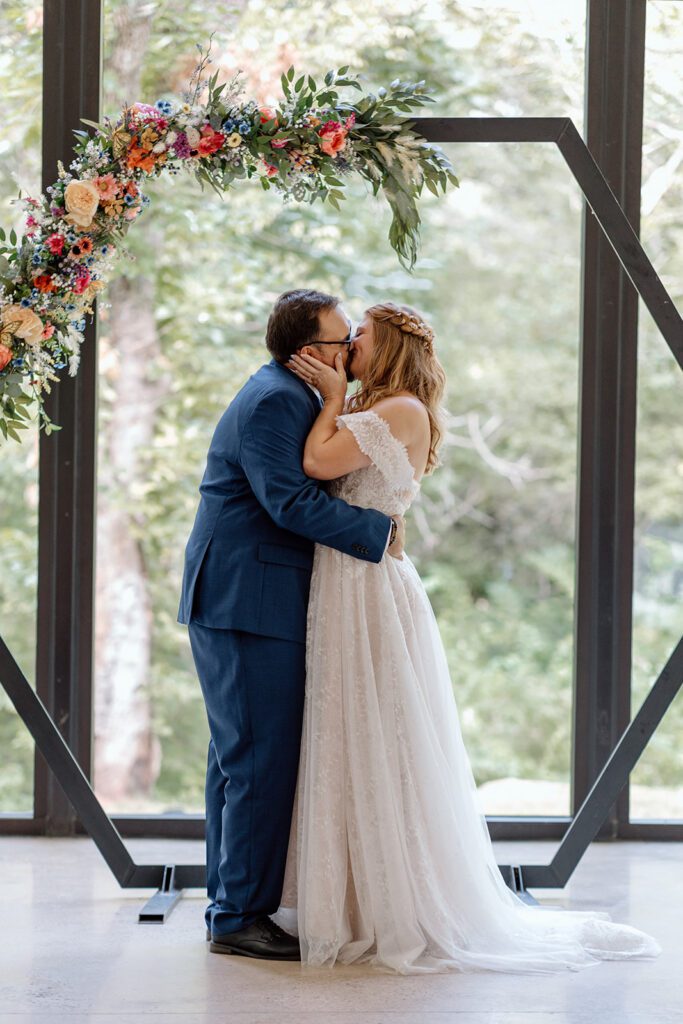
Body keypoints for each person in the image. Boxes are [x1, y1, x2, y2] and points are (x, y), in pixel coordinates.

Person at [274, 300, 663, 974]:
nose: (351, 343)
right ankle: (355, 896)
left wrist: (331, 394)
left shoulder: (397, 411)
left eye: (361, 334)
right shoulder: (387, 406)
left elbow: (313, 464)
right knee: (350, 728)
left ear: (389, 345)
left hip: (366, 587)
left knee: (376, 730)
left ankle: (390, 902)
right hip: (350, 579)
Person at [177, 289, 407, 960]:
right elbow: (289, 500)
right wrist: (378, 530)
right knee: (257, 761)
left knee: (237, 760)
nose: (349, 354)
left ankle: (232, 903)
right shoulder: (278, 398)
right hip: (248, 598)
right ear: (310, 351)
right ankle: (237, 917)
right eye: (341, 343)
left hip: (243, 595)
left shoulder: (285, 391)